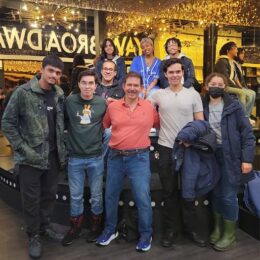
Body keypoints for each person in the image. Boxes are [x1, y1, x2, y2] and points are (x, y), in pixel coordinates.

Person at [1, 55, 66, 259]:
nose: (54, 75)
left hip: (53, 156)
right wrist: (21, 148)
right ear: (42, 69)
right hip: (31, 158)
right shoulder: (23, 93)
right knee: (31, 200)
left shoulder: (59, 94)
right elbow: (7, 123)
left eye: (58, 73)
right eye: (51, 71)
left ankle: (45, 226)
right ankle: (33, 235)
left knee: (48, 196)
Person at [96, 71, 159, 252]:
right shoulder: (113, 107)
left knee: (142, 197)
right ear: (123, 86)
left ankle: (146, 234)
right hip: (115, 157)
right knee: (111, 195)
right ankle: (110, 230)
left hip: (139, 158)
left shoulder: (148, 107)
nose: (132, 88)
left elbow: (159, 124)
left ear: (141, 88)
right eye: (129, 85)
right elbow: (104, 125)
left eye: (136, 86)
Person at [148, 58, 205, 248]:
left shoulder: (193, 94)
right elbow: (141, 107)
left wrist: (191, 138)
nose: (174, 75)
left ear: (183, 72)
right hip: (166, 148)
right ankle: (170, 230)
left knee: (189, 192)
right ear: (165, 74)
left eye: (177, 72)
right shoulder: (158, 95)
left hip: (188, 149)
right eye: (170, 72)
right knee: (169, 192)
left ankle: (192, 229)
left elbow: (200, 123)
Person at [202, 72, 255, 251]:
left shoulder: (235, 106)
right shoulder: (202, 105)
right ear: (206, 86)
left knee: (228, 195)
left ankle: (229, 234)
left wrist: (247, 159)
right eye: (212, 83)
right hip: (211, 156)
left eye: (219, 83)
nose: (215, 86)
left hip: (230, 157)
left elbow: (248, 135)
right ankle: (218, 228)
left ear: (225, 87)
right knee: (215, 194)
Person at [62, 69, 106, 246]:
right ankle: (75, 228)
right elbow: (62, 123)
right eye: (84, 83)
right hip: (75, 158)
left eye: (91, 83)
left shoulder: (102, 103)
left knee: (96, 195)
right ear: (78, 84)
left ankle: (96, 228)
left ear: (96, 86)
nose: (87, 86)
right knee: (75, 196)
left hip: (96, 157)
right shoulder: (69, 101)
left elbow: (110, 126)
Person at [214, 42, 255, 117]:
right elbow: (225, 79)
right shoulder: (222, 61)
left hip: (230, 86)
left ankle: (246, 115)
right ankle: (241, 117)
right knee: (242, 93)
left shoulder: (230, 62)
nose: (237, 51)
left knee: (252, 93)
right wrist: (238, 87)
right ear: (228, 51)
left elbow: (235, 78)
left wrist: (241, 87)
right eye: (235, 49)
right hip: (223, 86)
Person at [95, 60, 125, 158]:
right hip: (94, 121)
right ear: (101, 71)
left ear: (115, 73)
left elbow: (127, 108)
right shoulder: (93, 86)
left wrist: (117, 104)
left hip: (112, 124)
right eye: (105, 69)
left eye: (110, 69)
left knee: (109, 132)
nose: (108, 72)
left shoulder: (121, 89)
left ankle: (101, 161)